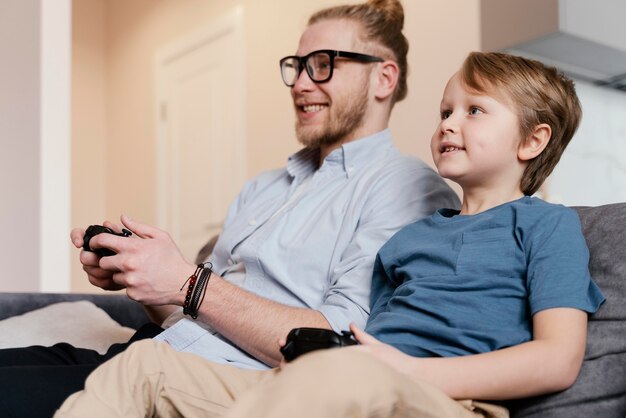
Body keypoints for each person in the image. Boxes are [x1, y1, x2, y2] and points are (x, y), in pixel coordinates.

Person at [55, 51, 606, 418]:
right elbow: (367, 333)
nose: (447, 124)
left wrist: (413, 371)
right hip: (341, 381)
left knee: (330, 381)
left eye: (474, 110)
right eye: (445, 110)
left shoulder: (545, 226)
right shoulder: (411, 239)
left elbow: (557, 359)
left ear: (532, 142)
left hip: (449, 402)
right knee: (144, 365)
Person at [0, 0, 459, 416]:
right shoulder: (264, 187)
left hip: (212, 383)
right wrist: (150, 282)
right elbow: (193, 311)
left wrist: (187, 282)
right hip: (148, 354)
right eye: (296, 66)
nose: (300, 83)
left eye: (323, 65)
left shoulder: (406, 189)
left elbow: (337, 344)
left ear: (384, 77)